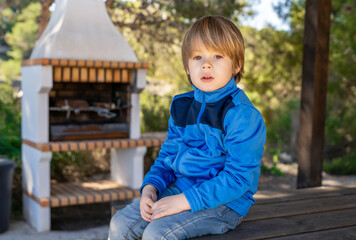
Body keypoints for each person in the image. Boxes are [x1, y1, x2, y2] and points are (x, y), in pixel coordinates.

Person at [109, 15, 266, 240]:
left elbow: (238, 179)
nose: (206, 64)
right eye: (197, 56)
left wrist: (183, 201)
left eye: (218, 56)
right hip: (180, 189)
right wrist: (151, 187)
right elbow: (168, 157)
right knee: (120, 223)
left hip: (226, 203)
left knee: (158, 234)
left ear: (237, 64)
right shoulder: (181, 106)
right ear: (187, 66)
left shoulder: (241, 115)